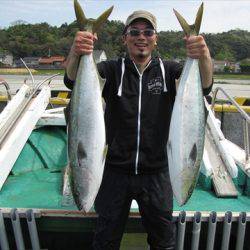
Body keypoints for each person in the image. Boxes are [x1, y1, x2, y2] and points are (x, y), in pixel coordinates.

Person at [64, 10, 213, 250]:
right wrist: (77, 50)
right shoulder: (111, 70)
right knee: (105, 241)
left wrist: (202, 55)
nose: (141, 36)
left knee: (164, 242)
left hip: (157, 173)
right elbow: (71, 80)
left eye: (148, 32)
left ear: (156, 38)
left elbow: (205, 85)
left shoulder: (170, 71)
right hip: (114, 172)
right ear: (125, 38)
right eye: (134, 32)